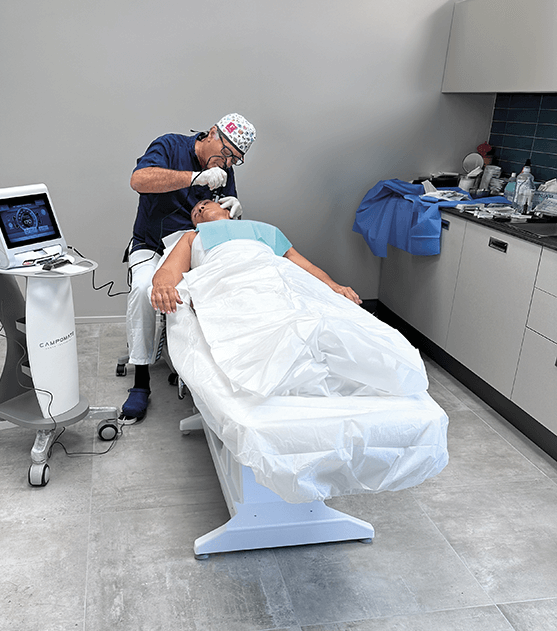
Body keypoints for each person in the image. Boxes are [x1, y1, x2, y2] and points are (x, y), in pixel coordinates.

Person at [151, 200, 428, 400]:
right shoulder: (192, 237)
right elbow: (169, 271)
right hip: (228, 279)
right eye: (195, 211)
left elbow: (303, 266)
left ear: (227, 209)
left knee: (302, 309)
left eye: (205, 203)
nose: (199, 209)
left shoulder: (265, 229)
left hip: (271, 273)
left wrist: (333, 286)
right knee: (255, 321)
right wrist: (161, 285)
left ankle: (325, 354)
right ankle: (288, 361)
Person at [121, 114, 256, 422]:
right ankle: (141, 381)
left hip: (190, 247)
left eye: (235, 159)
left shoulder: (223, 168)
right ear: (212, 133)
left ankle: (204, 375)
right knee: (143, 290)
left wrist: (233, 209)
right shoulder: (170, 146)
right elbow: (139, 180)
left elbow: (221, 218)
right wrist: (195, 178)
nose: (227, 163)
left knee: (205, 295)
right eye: (226, 153)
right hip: (152, 244)